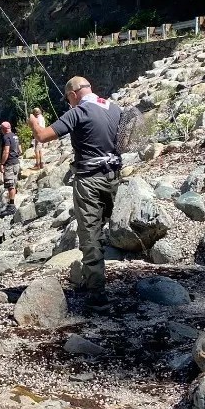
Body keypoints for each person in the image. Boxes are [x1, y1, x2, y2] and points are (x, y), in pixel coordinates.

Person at [29, 76, 129, 294]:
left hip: (89, 181)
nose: (69, 103)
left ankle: (96, 295)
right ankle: (92, 277)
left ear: (74, 94)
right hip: (113, 177)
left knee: (90, 235)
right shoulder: (114, 108)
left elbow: (42, 136)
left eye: (68, 99)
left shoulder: (78, 112)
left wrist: (33, 122)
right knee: (100, 229)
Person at [0, 120, 22, 212]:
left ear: (4, 129)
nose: (1, 131)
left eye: (1, 129)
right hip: (16, 162)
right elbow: (20, 150)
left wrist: (2, 163)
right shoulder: (15, 136)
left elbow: (6, 151)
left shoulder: (6, 137)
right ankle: (11, 203)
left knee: (10, 185)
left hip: (10, 164)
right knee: (14, 183)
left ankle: (11, 206)